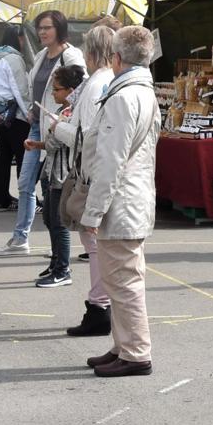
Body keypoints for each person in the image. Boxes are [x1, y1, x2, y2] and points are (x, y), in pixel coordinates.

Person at [79, 25, 160, 378]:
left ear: (115, 58)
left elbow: (109, 161)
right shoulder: (141, 92)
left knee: (123, 282)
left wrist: (93, 211)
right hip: (133, 199)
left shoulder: (124, 96)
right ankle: (124, 345)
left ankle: (136, 352)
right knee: (118, 280)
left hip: (122, 203)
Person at [0, 10, 85, 256]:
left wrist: (64, 116)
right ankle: (21, 238)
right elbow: (36, 88)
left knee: (53, 188)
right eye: (39, 28)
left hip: (58, 130)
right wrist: (32, 111)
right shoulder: (42, 55)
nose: (42, 32)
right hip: (37, 126)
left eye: (47, 28)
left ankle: (61, 253)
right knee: (25, 183)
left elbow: (79, 89)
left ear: (60, 29)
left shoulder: (71, 55)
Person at [52, 21, 117, 336]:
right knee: (97, 242)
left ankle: (99, 305)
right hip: (99, 171)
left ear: (91, 52)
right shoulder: (109, 81)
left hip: (91, 173)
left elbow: (85, 136)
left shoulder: (96, 85)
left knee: (95, 242)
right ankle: (101, 304)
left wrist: (55, 127)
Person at [33, 64, 85, 287]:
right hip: (52, 169)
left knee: (59, 221)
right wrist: (39, 143)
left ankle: (63, 269)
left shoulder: (72, 113)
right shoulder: (63, 112)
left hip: (63, 173)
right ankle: (56, 262)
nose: (53, 93)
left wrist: (55, 129)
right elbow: (52, 142)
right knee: (49, 218)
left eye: (57, 89)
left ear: (71, 90)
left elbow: (62, 141)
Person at [0, 25, 31, 211]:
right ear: (18, 38)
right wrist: (29, 114)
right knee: (21, 157)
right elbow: (20, 90)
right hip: (15, 115)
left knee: (2, 156)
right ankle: (26, 198)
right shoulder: (14, 59)